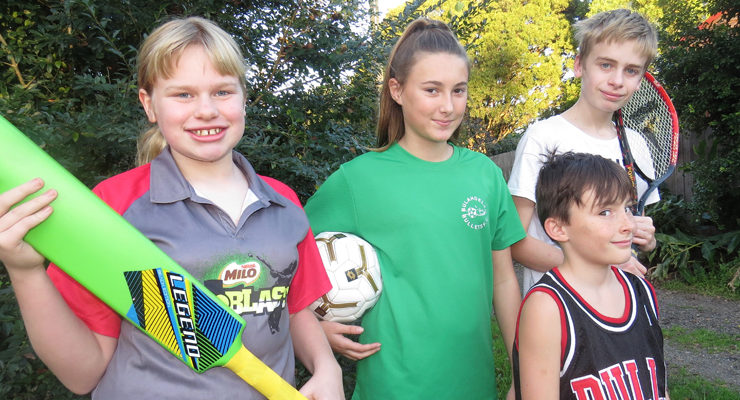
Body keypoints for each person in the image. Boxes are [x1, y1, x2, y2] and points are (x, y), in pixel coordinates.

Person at [0, 16, 343, 399]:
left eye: (222, 91)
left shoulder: (283, 201)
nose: (206, 110)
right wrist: (25, 272)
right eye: (183, 95)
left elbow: (294, 308)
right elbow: (82, 374)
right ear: (149, 104)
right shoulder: (114, 206)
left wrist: (326, 365)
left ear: (243, 97)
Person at [304, 18, 526, 399]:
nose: (447, 106)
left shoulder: (485, 175)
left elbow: (504, 281)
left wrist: (523, 371)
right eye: (432, 90)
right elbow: (287, 253)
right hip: (393, 387)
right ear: (397, 90)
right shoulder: (358, 180)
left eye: (458, 90)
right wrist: (314, 327)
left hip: (473, 386)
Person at [508, 9, 659, 292]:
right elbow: (515, 243)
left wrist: (647, 240)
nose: (617, 80)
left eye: (631, 70)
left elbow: (629, 240)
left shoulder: (636, 145)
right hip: (558, 306)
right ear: (579, 65)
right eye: (606, 65)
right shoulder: (543, 137)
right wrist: (595, 264)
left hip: (622, 304)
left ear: (641, 79)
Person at [513, 151, 667, 400]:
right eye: (605, 212)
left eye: (627, 208)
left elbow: (658, 386)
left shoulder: (642, 291)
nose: (628, 224)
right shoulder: (548, 308)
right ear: (558, 228)